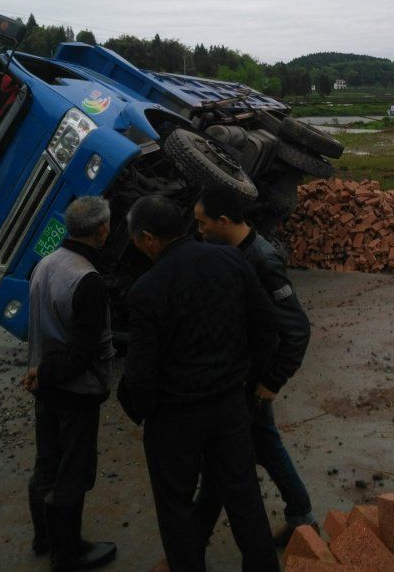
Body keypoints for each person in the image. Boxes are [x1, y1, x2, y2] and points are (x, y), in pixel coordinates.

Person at [118, 194, 280, 572]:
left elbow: (141, 371)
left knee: (175, 507)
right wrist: (249, 379)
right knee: (244, 498)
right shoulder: (230, 259)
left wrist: (144, 411)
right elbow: (267, 326)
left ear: (148, 239)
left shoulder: (146, 289)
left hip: (175, 417)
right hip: (228, 406)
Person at [194, 185, 316, 547]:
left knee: (225, 458)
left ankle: (193, 542)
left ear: (224, 221)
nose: (198, 231)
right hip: (241, 375)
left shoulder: (262, 260)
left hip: (253, 381)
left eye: (202, 224)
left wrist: (273, 381)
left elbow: (297, 328)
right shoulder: (230, 251)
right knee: (266, 445)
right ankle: (302, 517)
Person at [23, 195, 116, 572]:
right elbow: (83, 352)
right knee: (73, 471)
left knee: (47, 462)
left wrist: (40, 373)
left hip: (45, 385)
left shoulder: (45, 264)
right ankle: (68, 553)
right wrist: (46, 373)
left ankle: (43, 537)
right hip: (74, 389)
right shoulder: (87, 279)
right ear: (103, 231)